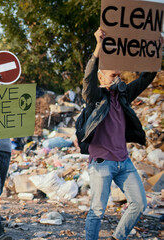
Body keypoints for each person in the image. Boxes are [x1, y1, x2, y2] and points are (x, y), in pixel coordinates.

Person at [83, 28, 159, 240]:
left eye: (119, 75)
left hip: (123, 162)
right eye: (112, 76)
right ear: (101, 76)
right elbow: (88, 79)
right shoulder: (95, 97)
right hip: (102, 164)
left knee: (140, 204)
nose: (117, 79)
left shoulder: (124, 95)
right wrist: (99, 47)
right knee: (97, 211)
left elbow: (147, 78)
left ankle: (118, 237)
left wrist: (156, 50)